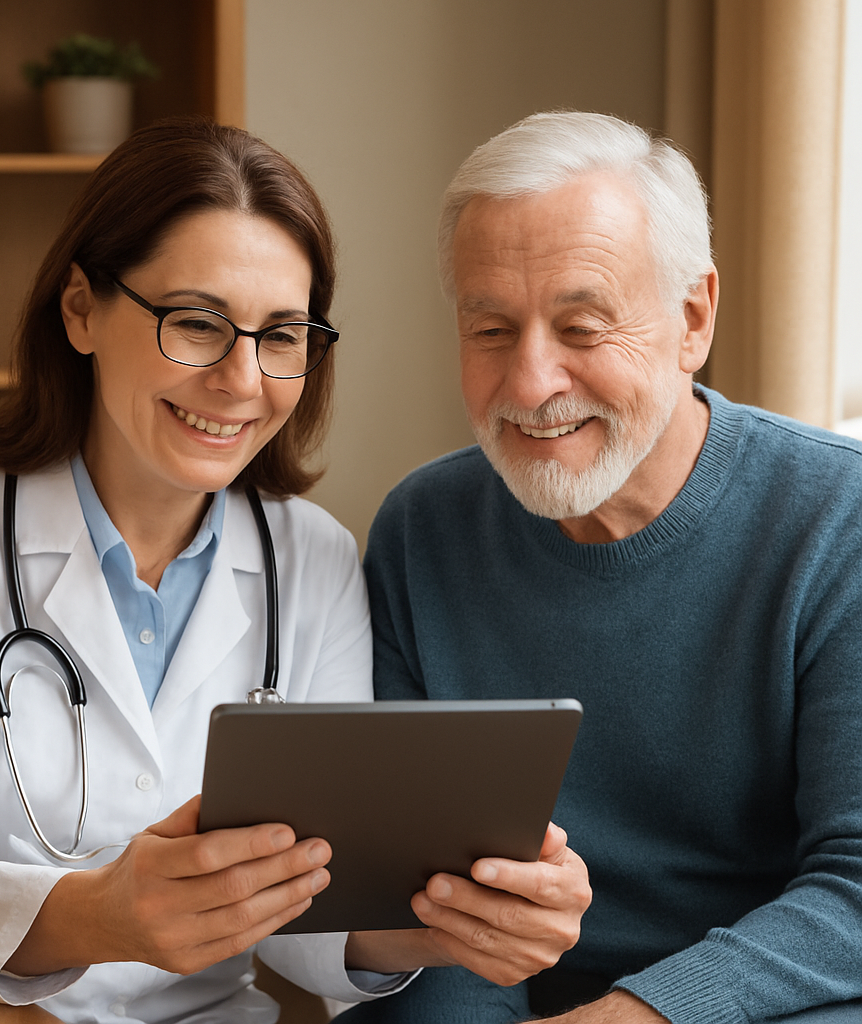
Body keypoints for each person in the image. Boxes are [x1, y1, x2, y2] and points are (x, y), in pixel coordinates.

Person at [0, 118, 591, 1024]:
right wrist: (98, 915)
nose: (242, 380)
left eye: (283, 336)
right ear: (80, 309)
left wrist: (447, 924)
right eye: (196, 323)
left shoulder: (312, 558)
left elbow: (307, 904)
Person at [347, 112, 862, 1024]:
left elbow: (853, 890)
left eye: (581, 327)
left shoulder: (838, 517)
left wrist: (631, 1015)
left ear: (692, 319)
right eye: (491, 330)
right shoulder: (422, 530)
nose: (530, 383)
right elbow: (428, 892)